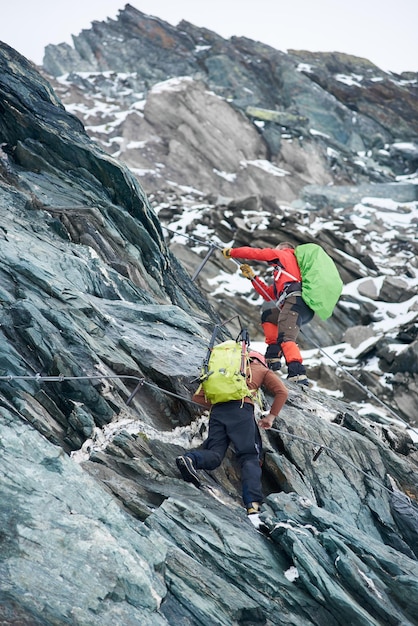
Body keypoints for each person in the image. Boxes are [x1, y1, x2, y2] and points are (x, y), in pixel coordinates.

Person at [176, 350, 288, 515]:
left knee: (214, 453)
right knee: (249, 456)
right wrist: (270, 417)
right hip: (242, 410)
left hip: (218, 412)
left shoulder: (223, 370)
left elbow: (197, 398)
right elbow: (282, 392)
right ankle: (253, 505)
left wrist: (223, 405)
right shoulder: (261, 370)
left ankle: (190, 459)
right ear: (261, 361)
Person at [223, 242, 314, 385]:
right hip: (300, 306)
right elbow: (269, 295)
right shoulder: (287, 272)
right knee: (268, 316)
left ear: (282, 248)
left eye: (275, 249)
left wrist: (233, 252)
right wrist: (253, 278)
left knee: (286, 337)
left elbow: (258, 253)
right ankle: (273, 356)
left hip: (295, 302)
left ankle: (297, 373)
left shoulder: (285, 254)